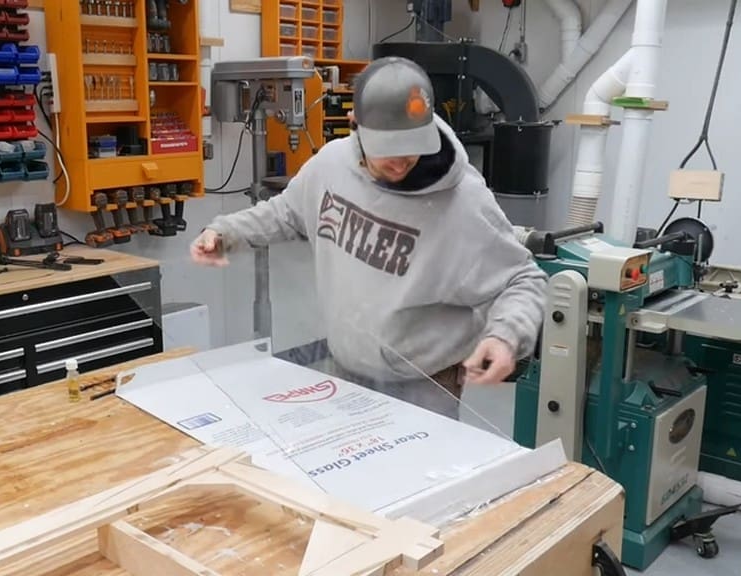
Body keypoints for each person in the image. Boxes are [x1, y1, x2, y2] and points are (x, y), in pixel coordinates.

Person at [190, 56, 547, 419]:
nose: (399, 162)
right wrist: (227, 231)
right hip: (344, 370)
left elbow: (523, 280)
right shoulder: (331, 165)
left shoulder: (463, 202)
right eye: (386, 150)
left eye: (410, 148)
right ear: (355, 125)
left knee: (415, 476)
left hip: (423, 385)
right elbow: (286, 212)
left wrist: (505, 337)